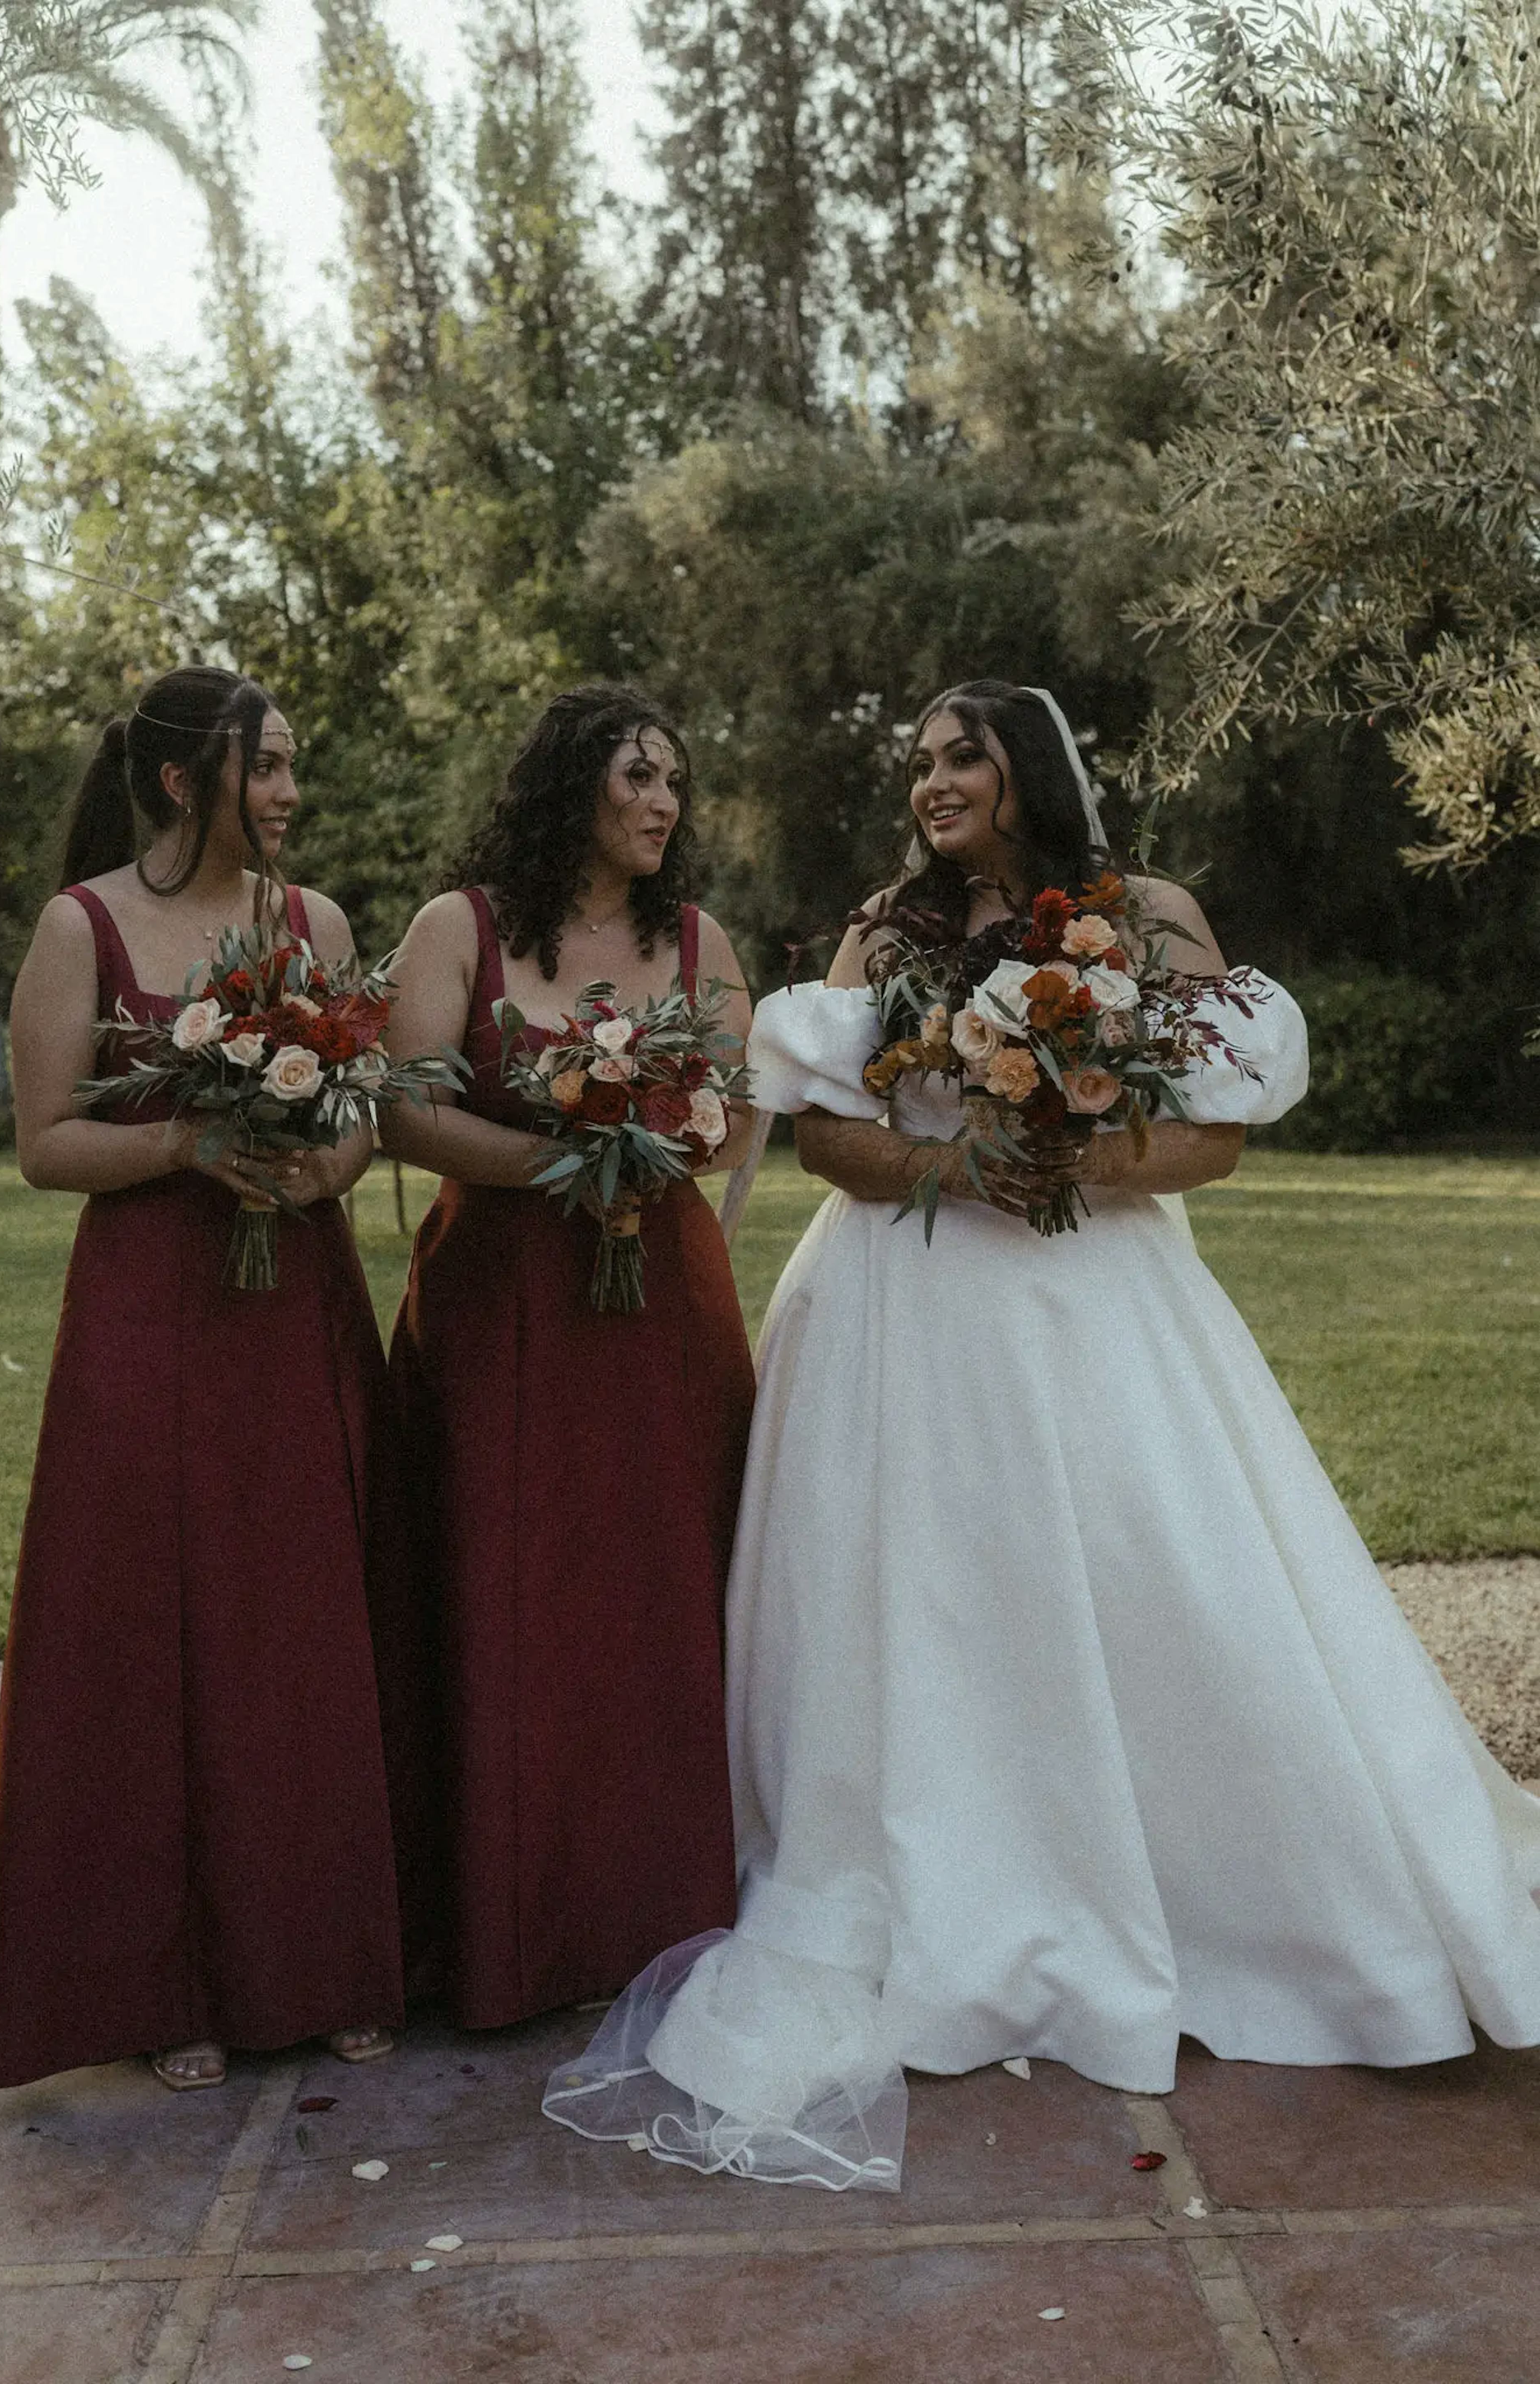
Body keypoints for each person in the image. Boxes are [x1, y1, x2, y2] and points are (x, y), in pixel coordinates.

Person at [543, 678, 1540, 2191]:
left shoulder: (1146, 916)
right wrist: (961, 1173)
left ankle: (1236, 1888)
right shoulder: (886, 929)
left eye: (963, 756)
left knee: (1170, 1580)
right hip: (904, 1309)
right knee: (920, 1598)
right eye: (921, 761)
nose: (933, 781)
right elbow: (826, 1138)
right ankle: (946, 1866)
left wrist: (1076, 1151)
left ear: (1032, 770)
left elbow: (1215, 1136)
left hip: (1100, 1295)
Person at [0, 665, 404, 2093]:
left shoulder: (318, 923)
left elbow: (363, 1115)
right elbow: (42, 1142)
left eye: (290, 766)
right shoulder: (81, 924)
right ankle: (173, 1982)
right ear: (179, 780)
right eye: (262, 767)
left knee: (306, 1627)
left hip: (296, 1312)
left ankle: (332, 1957)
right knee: (167, 1635)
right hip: (151, 1318)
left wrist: (313, 1164)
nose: (286, 792)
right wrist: (184, 1147)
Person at [377, 683, 757, 2029]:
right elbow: (406, 1108)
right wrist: (558, 1162)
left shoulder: (701, 939)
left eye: (676, 784)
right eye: (639, 778)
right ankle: (502, 1927)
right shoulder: (457, 929)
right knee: (502, 1593)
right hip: (500, 1309)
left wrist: (655, 1153)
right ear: (568, 787)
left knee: (659, 1602)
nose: (664, 805)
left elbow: (728, 1109)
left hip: (662, 1306)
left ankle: (658, 1917)